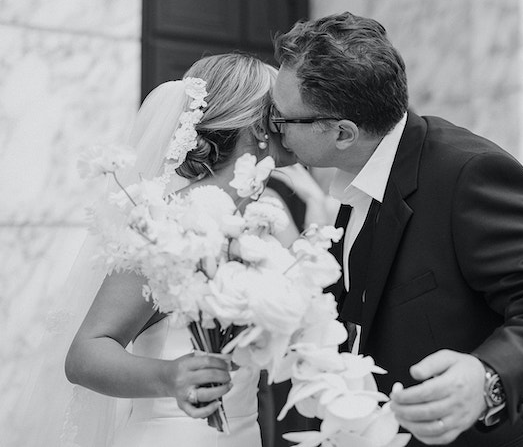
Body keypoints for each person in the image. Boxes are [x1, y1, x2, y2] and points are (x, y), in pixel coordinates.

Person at [270, 12, 523, 447]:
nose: (274, 129)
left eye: (283, 119)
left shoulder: (468, 172)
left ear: (343, 132)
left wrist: (487, 376)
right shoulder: (359, 179)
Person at [15, 53, 326, 447]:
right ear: (260, 125)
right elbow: (84, 355)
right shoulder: (169, 221)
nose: (302, 119)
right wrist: (169, 376)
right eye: (286, 111)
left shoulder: (271, 213)